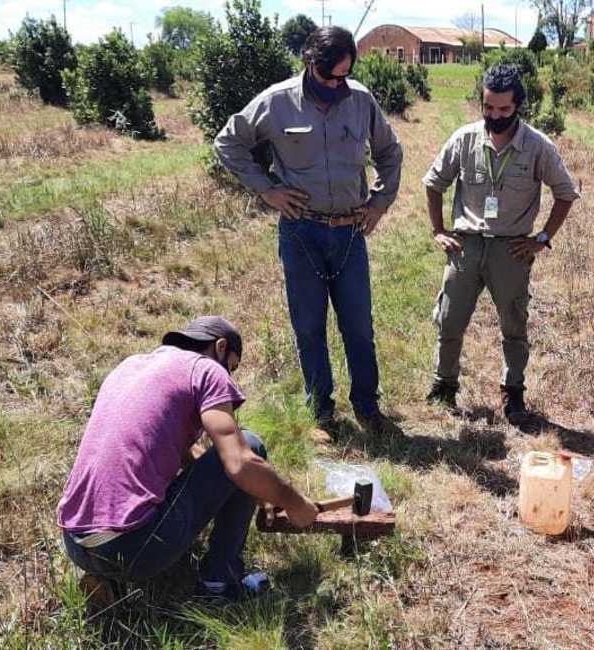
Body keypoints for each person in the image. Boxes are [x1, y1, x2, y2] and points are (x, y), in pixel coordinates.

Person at [214, 26, 403, 435]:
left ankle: (368, 407)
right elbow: (228, 143)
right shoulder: (276, 102)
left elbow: (390, 152)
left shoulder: (361, 100)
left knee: (358, 327)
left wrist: (379, 202)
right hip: (301, 233)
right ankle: (321, 413)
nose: (336, 85)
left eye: (343, 77)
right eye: (328, 76)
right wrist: (267, 189)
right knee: (309, 327)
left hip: (349, 233)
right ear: (309, 62)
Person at [57, 317, 319, 602]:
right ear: (220, 347)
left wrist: (261, 489)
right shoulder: (206, 369)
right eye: (231, 367)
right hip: (133, 547)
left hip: (74, 541)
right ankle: (219, 583)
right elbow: (240, 462)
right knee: (250, 444)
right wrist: (294, 503)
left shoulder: (131, 366)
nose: (229, 375)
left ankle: (106, 575)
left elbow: (174, 455)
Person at [422, 64, 579, 423]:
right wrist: (438, 230)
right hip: (466, 245)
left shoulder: (538, 146)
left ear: (518, 105)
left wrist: (542, 238)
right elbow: (433, 183)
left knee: (513, 324)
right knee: (450, 320)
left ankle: (513, 392)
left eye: (504, 109)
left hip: (511, 250)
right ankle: (444, 385)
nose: (495, 116)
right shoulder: (464, 139)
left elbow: (566, 194)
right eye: (488, 107)